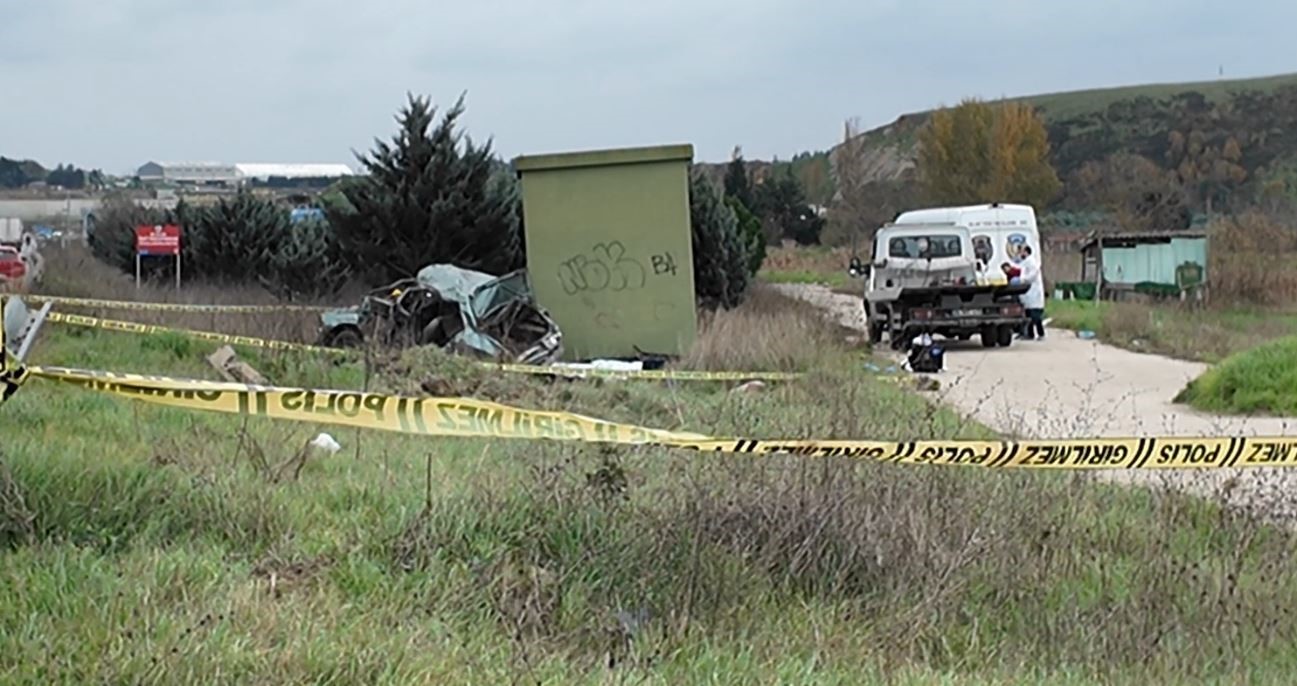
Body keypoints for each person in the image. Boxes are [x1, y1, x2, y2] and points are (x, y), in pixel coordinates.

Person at [1017, 246, 1046, 340]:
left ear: (1026, 252)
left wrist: (1024, 280)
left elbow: (1033, 274)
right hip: (1028, 293)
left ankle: (1041, 334)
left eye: (1021, 252)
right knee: (1028, 314)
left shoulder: (1031, 262)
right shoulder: (1025, 262)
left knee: (1035, 316)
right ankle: (1030, 334)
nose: (1020, 254)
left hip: (1034, 292)